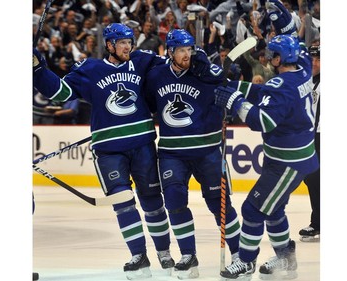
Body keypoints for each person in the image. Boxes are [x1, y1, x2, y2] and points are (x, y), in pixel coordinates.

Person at [34, 23, 176, 279]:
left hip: (142, 144)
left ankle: (164, 252)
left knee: (153, 201)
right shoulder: (90, 69)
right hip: (109, 150)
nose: (127, 47)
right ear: (109, 45)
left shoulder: (143, 62)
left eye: (129, 42)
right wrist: (37, 69)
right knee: (123, 203)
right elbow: (60, 92)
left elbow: (175, 68)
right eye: (122, 42)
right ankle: (138, 255)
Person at [214, 34, 318, 281]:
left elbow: (263, 121)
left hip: (287, 163)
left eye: (272, 54)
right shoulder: (302, 70)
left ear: (281, 58)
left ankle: (246, 262)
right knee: (273, 209)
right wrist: (236, 87)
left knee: (252, 209)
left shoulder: (282, 87)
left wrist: (235, 101)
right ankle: (285, 258)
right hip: (291, 157)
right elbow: (266, 92)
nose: (268, 57)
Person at [144, 29, 241, 279]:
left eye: (190, 49)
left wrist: (212, 72)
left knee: (219, 204)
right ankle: (188, 253)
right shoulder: (156, 75)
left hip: (207, 150)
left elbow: (227, 85)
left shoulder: (204, 71)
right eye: (181, 50)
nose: (187, 55)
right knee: (175, 201)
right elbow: (149, 105)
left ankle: (240, 255)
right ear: (170, 52)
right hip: (171, 152)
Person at [299, 44, 320, 242]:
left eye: (318, 60)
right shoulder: (308, 82)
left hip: (321, 136)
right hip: (311, 136)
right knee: (312, 180)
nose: (314, 63)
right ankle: (318, 222)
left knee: (316, 180)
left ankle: (318, 223)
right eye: (312, 59)